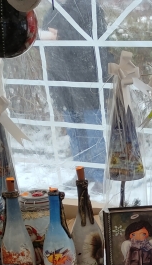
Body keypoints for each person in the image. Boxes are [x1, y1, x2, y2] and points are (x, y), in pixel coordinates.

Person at [39, 0, 110, 191]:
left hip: (88, 80)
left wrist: (59, 36)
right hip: (62, 81)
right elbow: (42, 41)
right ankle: (82, 174)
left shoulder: (90, 8)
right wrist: (43, 38)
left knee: (93, 129)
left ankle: (101, 176)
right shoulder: (53, 10)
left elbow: (95, 40)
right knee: (74, 131)